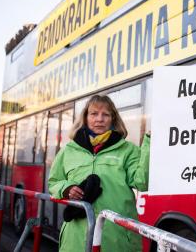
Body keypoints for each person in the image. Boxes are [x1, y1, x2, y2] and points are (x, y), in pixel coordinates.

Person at [48, 95, 150, 251]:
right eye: (94, 114)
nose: (99, 119)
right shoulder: (68, 151)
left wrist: (149, 143)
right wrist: (67, 188)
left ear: (113, 119)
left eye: (106, 114)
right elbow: (54, 182)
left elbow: (141, 182)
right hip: (75, 239)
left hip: (117, 238)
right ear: (86, 117)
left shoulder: (128, 150)